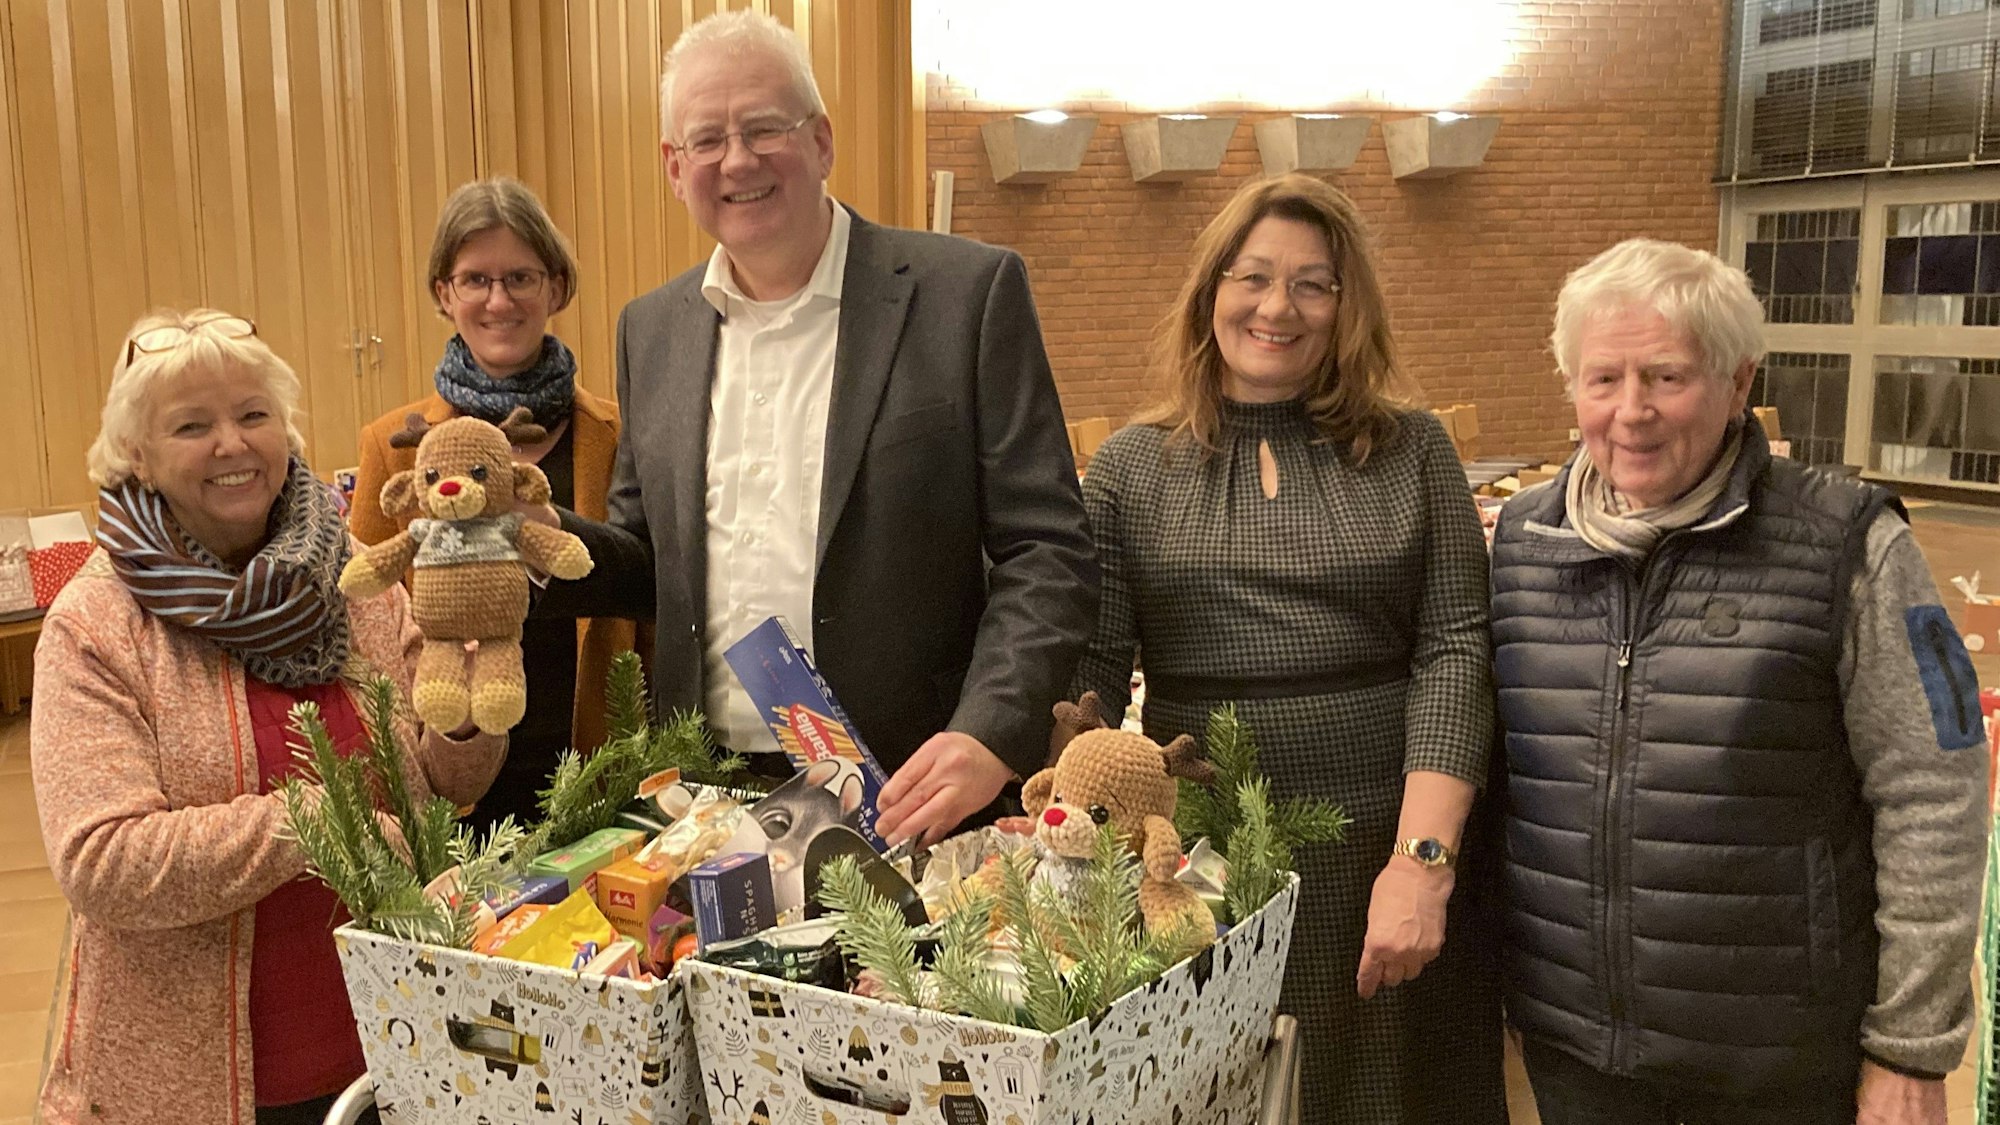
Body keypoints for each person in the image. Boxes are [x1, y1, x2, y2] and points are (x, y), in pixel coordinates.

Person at [538, 10, 1097, 845]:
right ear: (674, 167)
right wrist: (539, 534)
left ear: (823, 140)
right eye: (707, 139)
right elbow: (651, 560)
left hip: (913, 792)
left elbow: (1048, 550)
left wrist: (990, 730)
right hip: (711, 798)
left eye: (765, 127)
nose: (738, 159)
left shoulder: (966, 297)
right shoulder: (649, 330)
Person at [1492, 238, 1988, 1125]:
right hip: (1580, 1054)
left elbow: (1936, 792)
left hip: (1780, 1063)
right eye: (1603, 379)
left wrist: (1911, 1047)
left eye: (1667, 376)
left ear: (1738, 381)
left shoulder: (1850, 544)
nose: (1632, 411)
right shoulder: (1525, 545)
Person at [1070, 173, 1505, 1125]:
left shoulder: (1416, 450)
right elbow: (1088, 680)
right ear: (1211, 290)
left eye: (1314, 284)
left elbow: (1455, 652)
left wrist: (1422, 862)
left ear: (1349, 308)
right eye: (1255, 276)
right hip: (1202, 859)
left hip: (1390, 843)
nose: (1279, 306)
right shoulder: (1131, 468)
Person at [32, 309, 505, 1125]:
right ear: (136, 452)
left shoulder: (355, 578)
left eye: (253, 413)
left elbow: (446, 785)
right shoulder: (97, 623)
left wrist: (470, 709)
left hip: (390, 1049)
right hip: (199, 1086)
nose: (232, 443)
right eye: (192, 425)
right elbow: (100, 859)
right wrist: (314, 824)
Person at [352, 177, 633, 831]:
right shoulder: (391, 449)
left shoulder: (618, 435)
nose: (498, 300)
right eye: (475, 279)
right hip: (451, 781)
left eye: (520, 278)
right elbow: (366, 630)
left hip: (596, 774)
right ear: (444, 293)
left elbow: (644, 602)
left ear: (556, 287)